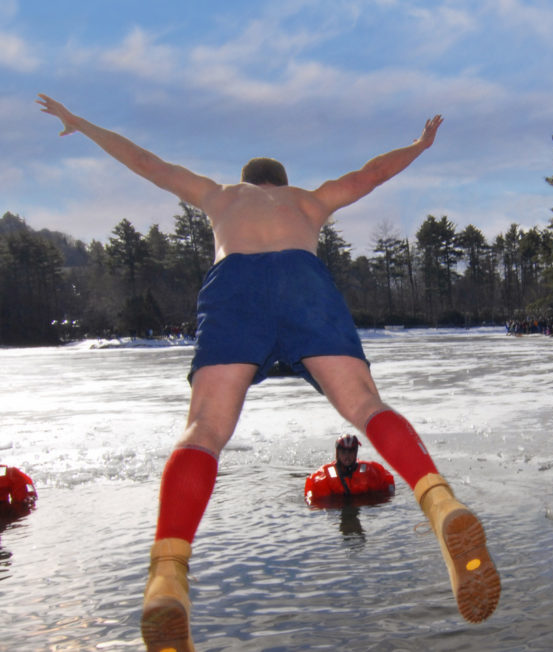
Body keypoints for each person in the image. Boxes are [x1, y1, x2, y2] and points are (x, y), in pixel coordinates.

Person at [38, 94, 500, 650]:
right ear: (282, 183)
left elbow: (148, 165)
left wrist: (82, 122)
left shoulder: (220, 197)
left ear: (248, 182)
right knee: (367, 407)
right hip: (304, 282)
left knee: (204, 430)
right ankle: (440, 502)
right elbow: (371, 175)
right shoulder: (308, 202)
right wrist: (420, 145)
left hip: (235, 286)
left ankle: (167, 574)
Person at [305, 434, 396, 504]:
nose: (347, 456)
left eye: (351, 451)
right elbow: (313, 499)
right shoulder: (323, 475)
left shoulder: (370, 470)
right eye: (343, 452)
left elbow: (388, 485)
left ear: (355, 452)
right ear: (338, 453)